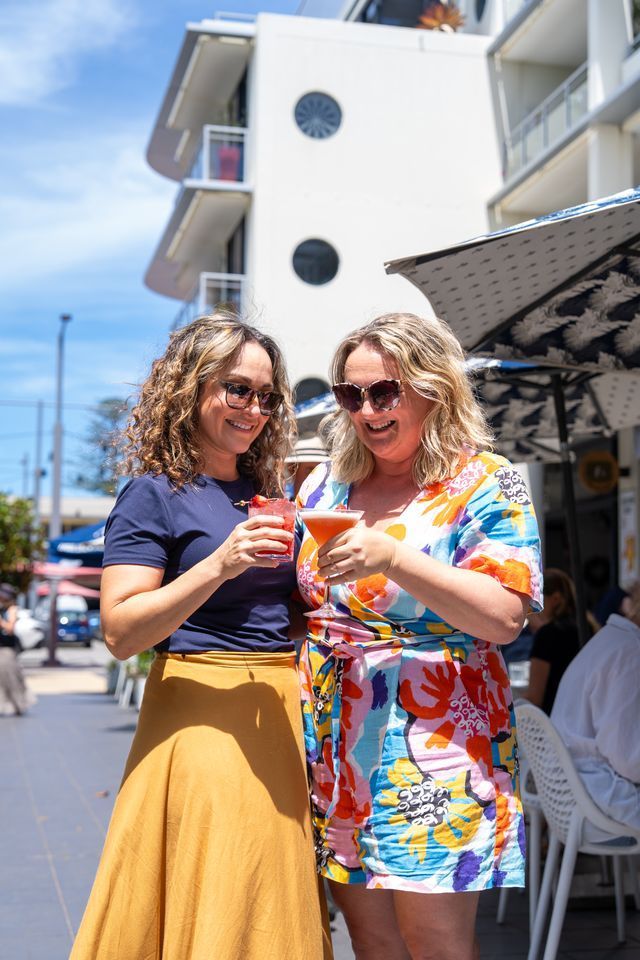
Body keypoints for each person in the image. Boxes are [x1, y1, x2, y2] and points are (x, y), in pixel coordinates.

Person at [71, 313, 332, 960]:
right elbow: (121, 631)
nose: (254, 408)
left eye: (266, 395)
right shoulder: (153, 494)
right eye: (236, 389)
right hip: (198, 712)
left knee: (268, 905)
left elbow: (283, 616)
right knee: (217, 899)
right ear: (190, 388)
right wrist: (222, 563)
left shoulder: (267, 495)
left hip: (281, 712)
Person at [295, 313, 542, 960]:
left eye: (386, 392)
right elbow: (307, 606)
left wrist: (395, 558)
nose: (367, 411)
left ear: (434, 387)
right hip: (338, 748)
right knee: (372, 941)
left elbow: (505, 617)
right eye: (352, 395)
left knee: (433, 943)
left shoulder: (489, 482)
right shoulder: (327, 486)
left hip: (439, 746)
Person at [551, 581, 640, 840]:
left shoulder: (612, 640)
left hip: (572, 790)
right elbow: (628, 759)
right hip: (595, 796)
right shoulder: (629, 652)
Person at [524, 568, 582, 714]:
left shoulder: (548, 635)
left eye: (535, 599)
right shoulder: (587, 627)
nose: (531, 606)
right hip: (582, 719)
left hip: (554, 721)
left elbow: (535, 698)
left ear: (555, 598)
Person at [0, 583, 29, 716]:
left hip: (7, 649)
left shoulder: (12, 609)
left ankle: (18, 705)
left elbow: (10, 629)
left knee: (10, 678)